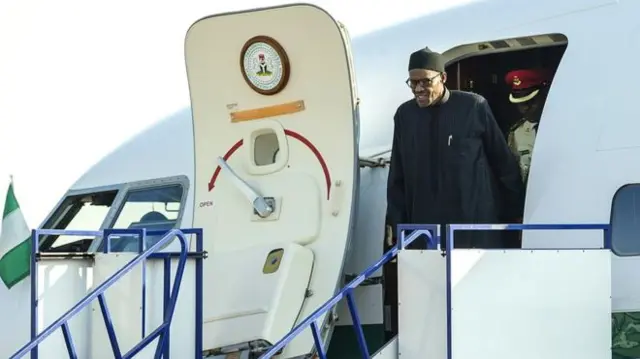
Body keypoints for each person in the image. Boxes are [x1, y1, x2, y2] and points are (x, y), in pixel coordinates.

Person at [385, 47, 525, 250]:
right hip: (425, 229)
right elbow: (398, 174)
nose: (418, 89)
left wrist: (517, 211)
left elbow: (502, 162)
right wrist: (397, 224)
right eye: (413, 83)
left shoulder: (473, 107)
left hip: (472, 226)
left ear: (443, 77)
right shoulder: (405, 115)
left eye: (425, 81)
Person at [505, 68, 551, 184]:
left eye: (531, 102)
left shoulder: (560, 127)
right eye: (520, 104)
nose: (525, 108)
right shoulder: (516, 134)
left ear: (543, 97)